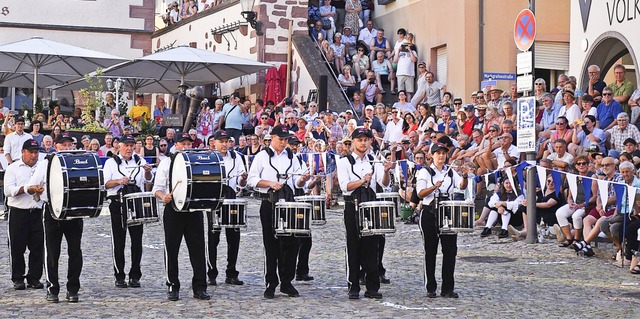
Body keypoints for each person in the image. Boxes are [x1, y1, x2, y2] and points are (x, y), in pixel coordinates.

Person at [247, 126, 311, 299]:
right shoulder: (262, 156)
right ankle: (271, 282)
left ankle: (286, 281)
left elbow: (298, 183)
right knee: (271, 245)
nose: (283, 143)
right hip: (269, 203)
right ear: (272, 137)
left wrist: (303, 179)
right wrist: (270, 183)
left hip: (289, 204)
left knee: (292, 243)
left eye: (285, 140)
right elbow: (252, 180)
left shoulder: (293, 157)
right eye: (280, 139)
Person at [152, 132, 211, 301]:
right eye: (182, 143)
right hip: (173, 211)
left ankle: (200, 287)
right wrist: (163, 197)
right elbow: (156, 188)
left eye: (188, 144)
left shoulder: (197, 162)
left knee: (198, 250)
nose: (186, 146)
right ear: (176, 145)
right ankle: (172, 285)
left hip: (193, 211)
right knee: (172, 250)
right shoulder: (166, 163)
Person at [336, 127, 393, 300]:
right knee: (353, 245)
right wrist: (362, 181)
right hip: (352, 204)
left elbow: (383, 185)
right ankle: (353, 285)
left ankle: (372, 286)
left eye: (366, 139)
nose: (363, 142)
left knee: (372, 246)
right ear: (353, 142)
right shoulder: (344, 161)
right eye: (359, 139)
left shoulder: (374, 160)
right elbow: (344, 186)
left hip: (370, 203)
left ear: (370, 141)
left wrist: (386, 171)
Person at [26, 133, 82, 303]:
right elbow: (30, 187)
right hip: (52, 212)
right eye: (63, 145)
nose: (66, 148)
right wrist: (35, 189)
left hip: (73, 212)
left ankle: (73, 289)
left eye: (69, 145)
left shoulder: (79, 161)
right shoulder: (46, 163)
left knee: (75, 252)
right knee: (52, 253)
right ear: (56, 146)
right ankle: (53, 288)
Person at [415, 142, 468, 298]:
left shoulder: (450, 172)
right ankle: (430, 287)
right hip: (430, 212)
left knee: (450, 251)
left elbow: (461, 186)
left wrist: (464, 175)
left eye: (444, 153)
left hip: (447, 212)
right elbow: (420, 193)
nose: (441, 156)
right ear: (432, 155)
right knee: (430, 251)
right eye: (438, 153)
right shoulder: (425, 172)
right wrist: (434, 187)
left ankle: (447, 287)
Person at [103, 134, 153, 289]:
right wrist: (119, 181)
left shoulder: (139, 160)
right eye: (127, 145)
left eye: (132, 145)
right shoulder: (111, 162)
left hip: (136, 203)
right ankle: (119, 275)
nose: (130, 148)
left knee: (137, 241)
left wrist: (147, 171)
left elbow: (148, 182)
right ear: (119, 146)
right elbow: (105, 184)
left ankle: (135, 275)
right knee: (119, 240)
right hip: (117, 203)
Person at [206, 131, 247, 287]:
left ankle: (231, 272)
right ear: (214, 143)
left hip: (231, 197)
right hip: (214, 198)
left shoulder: (237, 157)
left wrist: (243, 179)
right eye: (221, 141)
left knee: (234, 237)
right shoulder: (209, 158)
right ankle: (211, 273)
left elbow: (241, 185)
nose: (224, 144)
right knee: (213, 238)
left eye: (226, 141)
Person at [5, 139, 44, 291]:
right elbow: (8, 190)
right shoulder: (13, 168)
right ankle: (18, 278)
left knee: (37, 247)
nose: (34, 156)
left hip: (37, 211)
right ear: (23, 152)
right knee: (17, 247)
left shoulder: (41, 168)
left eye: (36, 152)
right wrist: (27, 189)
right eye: (31, 152)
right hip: (18, 212)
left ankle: (34, 277)